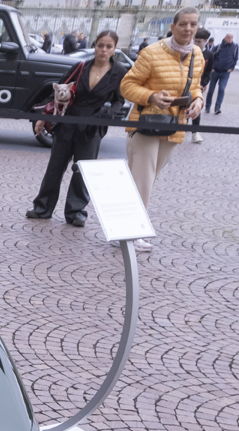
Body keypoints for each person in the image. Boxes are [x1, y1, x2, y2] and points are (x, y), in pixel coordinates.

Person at [120, 6, 206, 252]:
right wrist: (151, 96)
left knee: (148, 179)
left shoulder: (197, 54)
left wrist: (198, 100)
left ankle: (125, 230)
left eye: (193, 24)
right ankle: (132, 233)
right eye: (183, 24)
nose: (188, 29)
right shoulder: (151, 52)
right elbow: (127, 86)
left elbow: (196, 85)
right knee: (143, 180)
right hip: (146, 125)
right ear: (173, 26)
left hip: (174, 127)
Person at [27, 31, 129, 226]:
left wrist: (109, 114)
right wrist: (43, 117)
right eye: (100, 45)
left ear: (114, 49)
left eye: (108, 46)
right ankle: (43, 207)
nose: (104, 50)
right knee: (55, 167)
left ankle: (76, 212)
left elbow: (119, 100)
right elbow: (58, 91)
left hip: (93, 126)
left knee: (83, 171)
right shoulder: (80, 66)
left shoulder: (120, 72)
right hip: (68, 122)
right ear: (95, 46)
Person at [191, 28, 215, 141]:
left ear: (206, 41)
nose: (196, 43)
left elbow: (208, 71)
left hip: (198, 86)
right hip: (185, 84)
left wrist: (204, 83)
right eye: (194, 41)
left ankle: (195, 132)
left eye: (199, 41)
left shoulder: (209, 54)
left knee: (196, 108)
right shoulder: (188, 51)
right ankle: (177, 130)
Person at [207, 33, 236, 113]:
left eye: (232, 37)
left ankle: (217, 107)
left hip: (225, 73)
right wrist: (212, 68)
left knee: (221, 89)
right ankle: (207, 106)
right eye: (229, 37)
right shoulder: (219, 46)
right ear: (225, 38)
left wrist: (232, 68)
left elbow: (235, 58)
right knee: (211, 90)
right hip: (215, 71)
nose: (230, 39)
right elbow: (212, 57)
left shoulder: (235, 47)